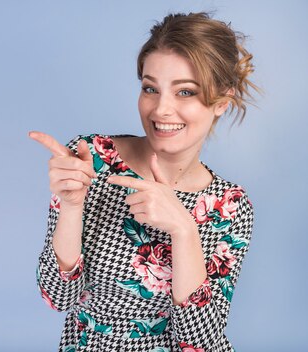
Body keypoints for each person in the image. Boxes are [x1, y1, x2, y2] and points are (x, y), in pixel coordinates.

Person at [28, 12, 259, 352]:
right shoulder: (93, 159)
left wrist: (183, 229)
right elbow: (57, 297)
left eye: (185, 92)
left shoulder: (230, 206)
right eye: (151, 88)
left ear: (222, 101)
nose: (162, 109)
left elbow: (200, 343)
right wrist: (72, 206)